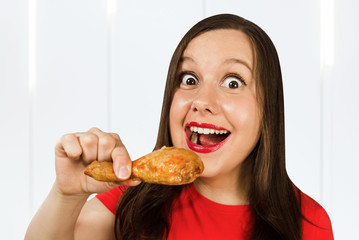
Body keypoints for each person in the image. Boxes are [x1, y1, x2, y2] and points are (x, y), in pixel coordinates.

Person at [25, 14, 334, 240]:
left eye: (233, 81)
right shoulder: (127, 201)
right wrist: (66, 196)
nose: (201, 100)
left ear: (268, 108)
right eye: (189, 79)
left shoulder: (309, 223)